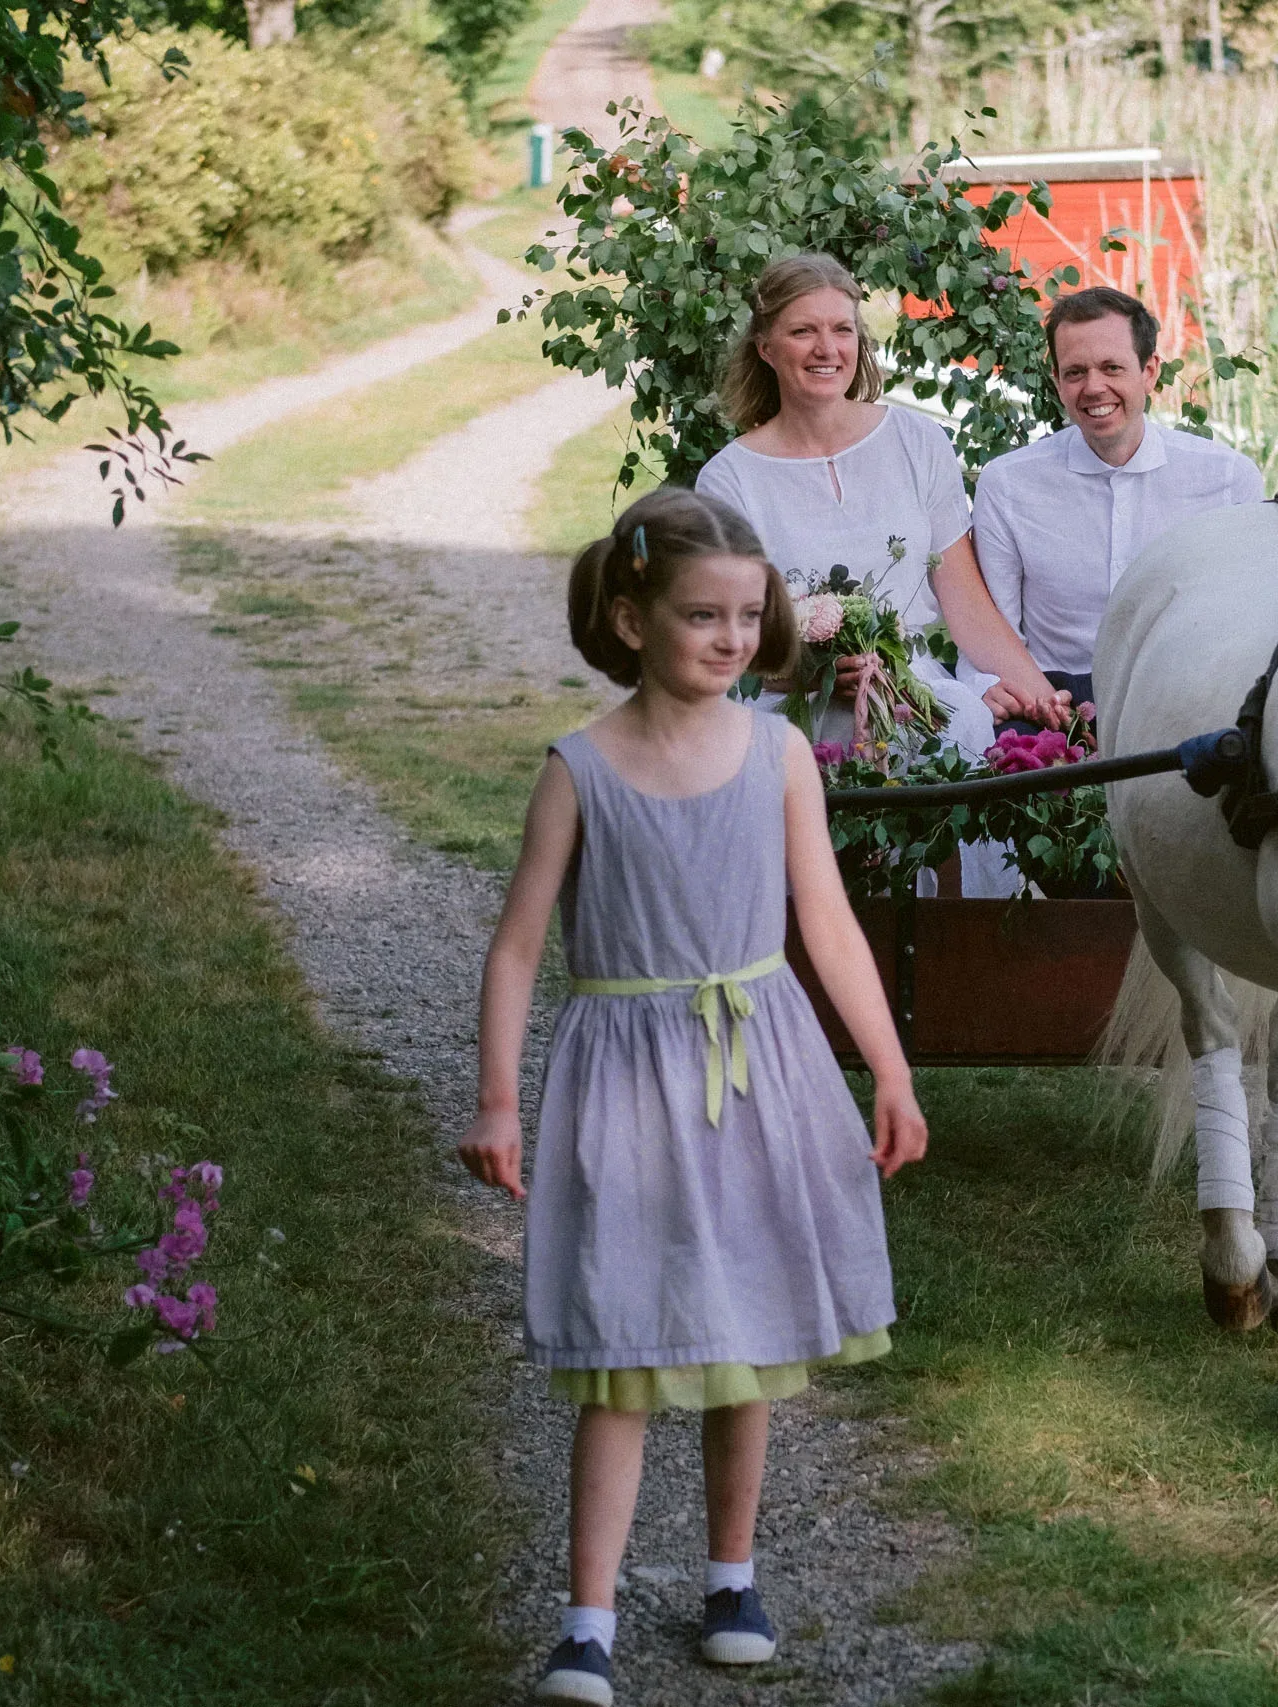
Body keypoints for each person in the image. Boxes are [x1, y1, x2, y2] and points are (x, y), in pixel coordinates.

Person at [460, 488, 927, 1706]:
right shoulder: (580, 770)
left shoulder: (776, 753)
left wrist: (888, 1065)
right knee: (625, 1343)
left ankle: (732, 1577)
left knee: (746, 1332)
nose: (728, 639)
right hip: (626, 1071)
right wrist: (499, 1101)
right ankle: (587, 1621)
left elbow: (822, 919)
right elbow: (516, 948)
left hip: (760, 1067)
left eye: (745, 616)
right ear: (627, 618)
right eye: (698, 616)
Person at [694, 252, 1069, 748]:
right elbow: (727, 641)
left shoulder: (918, 442)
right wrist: (816, 673)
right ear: (765, 347)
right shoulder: (728, 481)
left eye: (842, 330)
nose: (827, 349)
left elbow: (966, 602)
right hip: (790, 728)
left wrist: (1050, 708)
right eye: (803, 331)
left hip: (918, 706)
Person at [972, 286, 1265, 703]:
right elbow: (993, 630)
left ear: (1149, 372)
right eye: (1075, 372)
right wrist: (992, 690)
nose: (1094, 387)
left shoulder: (1228, 480)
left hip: (1186, 693)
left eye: (1112, 368)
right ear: (1056, 381)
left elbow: (1250, 618)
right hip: (1051, 698)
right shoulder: (1008, 485)